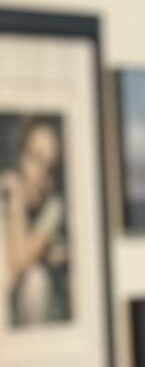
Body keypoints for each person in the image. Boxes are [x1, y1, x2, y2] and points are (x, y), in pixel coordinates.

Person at [1, 118, 68, 327]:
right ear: (20, 156)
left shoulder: (54, 208)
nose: (40, 175)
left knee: (35, 280)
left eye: (50, 169)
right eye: (35, 159)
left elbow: (19, 262)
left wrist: (17, 202)